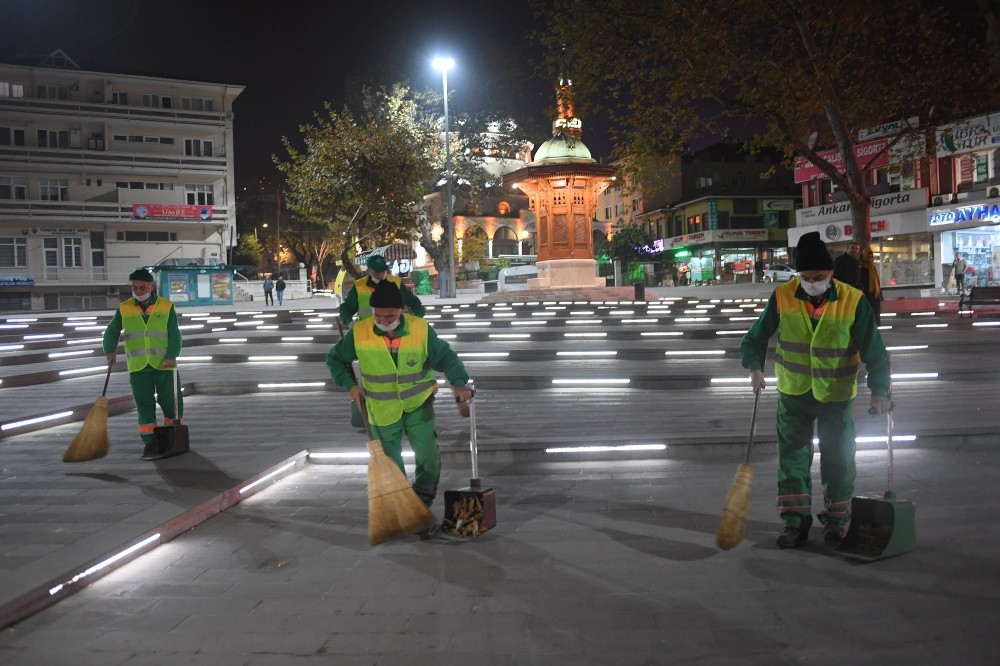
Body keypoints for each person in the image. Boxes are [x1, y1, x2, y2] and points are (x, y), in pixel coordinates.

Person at [739, 231, 891, 549]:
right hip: (794, 394)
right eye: (806, 277)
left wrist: (880, 392)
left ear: (831, 273)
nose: (812, 283)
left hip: (835, 394)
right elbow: (755, 338)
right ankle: (794, 523)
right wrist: (755, 368)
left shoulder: (853, 300)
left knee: (839, 459)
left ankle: (837, 521)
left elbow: (875, 351)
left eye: (819, 277)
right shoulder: (782, 296)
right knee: (792, 460)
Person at [326, 280, 472, 511]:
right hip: (379, 409)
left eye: (390, 316)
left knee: (428, 458)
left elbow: (446, 359)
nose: (384, 321)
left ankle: (420, 504)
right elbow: (335, 359)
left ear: (402, 310)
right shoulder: (360, 332)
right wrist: (350, 385)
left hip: (418, 405)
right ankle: (404, 508)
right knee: (391, 464)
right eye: (379, 316)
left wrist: (460, 384)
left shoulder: (420, 329)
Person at [102, 268, 185, 461]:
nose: (138, 291)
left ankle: (174, 435)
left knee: (170, 401)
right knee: (144, 404)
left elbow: (175, 334)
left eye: (142, 287)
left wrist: (172, 355)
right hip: (138, 366)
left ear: (151, 286)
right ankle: (150, 442)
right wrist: (110, 351)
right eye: (135, 288)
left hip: (164, 365)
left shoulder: (166, 307)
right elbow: (112, 331)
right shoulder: (124, 308)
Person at [339, 255, 425, 325]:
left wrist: (417, 318)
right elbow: (347, 307)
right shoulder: (359, 286)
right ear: (369, 270)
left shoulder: (396, 283)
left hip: (392, 332)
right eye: (376, 272)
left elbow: (413, 302)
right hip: (368, 334)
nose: (381, 275)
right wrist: (349, 322)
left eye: (383, 271)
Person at [858, 246, 883, 325]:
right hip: (866, 296)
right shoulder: (861, 269)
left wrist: (880, 293)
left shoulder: (873, 268)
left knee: (875, 316)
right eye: (868, 257)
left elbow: (877, 281)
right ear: (864, 257)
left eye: (871, 257)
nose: (870, 259)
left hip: (875, 296)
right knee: (867, 316)